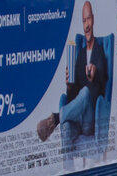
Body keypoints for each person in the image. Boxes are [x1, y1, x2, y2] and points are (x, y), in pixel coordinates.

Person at [36, 1, 108, 142]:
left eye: (88, 19)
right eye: (83, 20)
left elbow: (104, 85)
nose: (86, 25)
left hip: (90, 119)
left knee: (86, 92)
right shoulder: (80, 54)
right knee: (68, 129)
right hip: (75, 117)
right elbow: (73, 97)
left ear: (93, 19)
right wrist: (70, 86)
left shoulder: (100, 51)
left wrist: (95, 76)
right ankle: (58, 120)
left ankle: (55, 119)